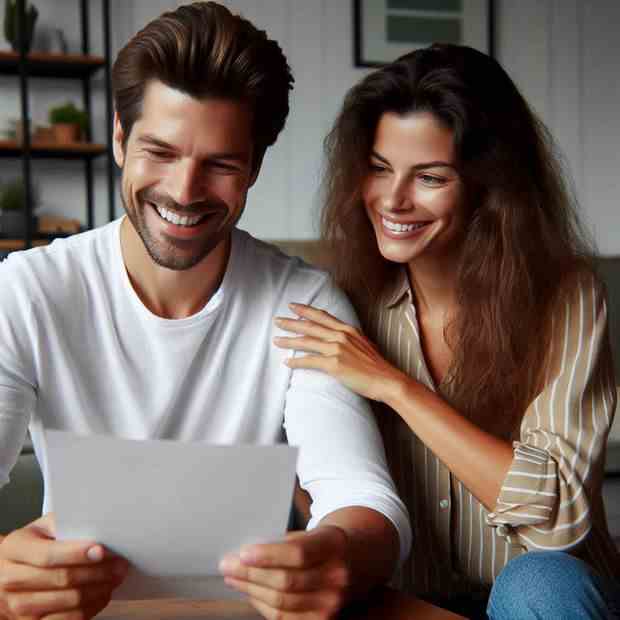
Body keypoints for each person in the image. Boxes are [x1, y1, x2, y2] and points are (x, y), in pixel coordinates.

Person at [0, 3, 412, 619]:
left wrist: (339, 556)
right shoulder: (27, 291)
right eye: (159, 152)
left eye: (219, 163)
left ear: (254, 168)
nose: (184, 192)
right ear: (119, 138)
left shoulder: (306, 302)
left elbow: (362, 498)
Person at [274, 44, 620, 618]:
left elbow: (556, 520)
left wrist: (395, 386)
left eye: (429, 177)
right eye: (380, 169)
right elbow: (325, 496)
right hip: (407, 596)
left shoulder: (566, 298)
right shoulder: (342, 302)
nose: (393, 200)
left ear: (489, 187)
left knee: (538, 584)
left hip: (546, 592)